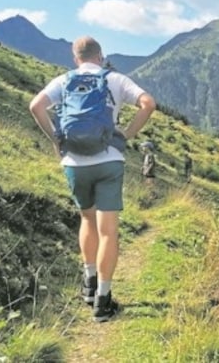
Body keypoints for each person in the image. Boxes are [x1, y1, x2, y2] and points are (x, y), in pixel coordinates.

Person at [29, 36, 156, 322]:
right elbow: (148, 104)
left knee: (87, 220)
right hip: (109, 160)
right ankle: (103, 300)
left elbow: (36, 106)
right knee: (108, 230)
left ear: (76, 59)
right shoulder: (116, 79)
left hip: (74, 162)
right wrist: (127, 133)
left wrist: (56, 138)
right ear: (100, 56)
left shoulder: (64, 81)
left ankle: (89, 283)